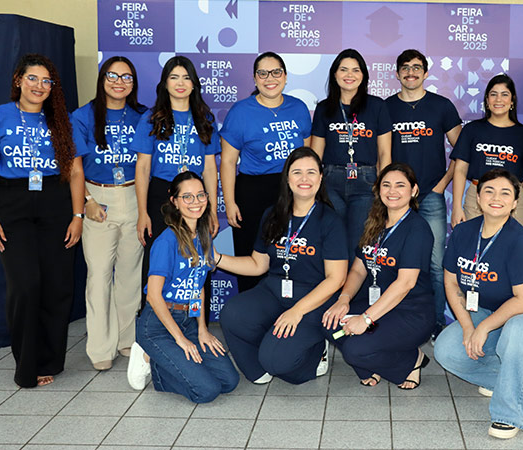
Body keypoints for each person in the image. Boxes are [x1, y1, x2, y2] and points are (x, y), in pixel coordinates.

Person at [0, 53, 85, 387]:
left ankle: (51, 360)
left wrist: (78, 215)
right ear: (18, 81)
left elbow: (77, 171)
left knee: (56, 286)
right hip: (13, 204)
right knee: (25, 285)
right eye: (33, 79)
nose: (40, 86)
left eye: (47, 81)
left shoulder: (61, 120)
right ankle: (26, 363)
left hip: (55, 202)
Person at [434, 168, 523, 440]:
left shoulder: (521, 241)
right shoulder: (462, 233)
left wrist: (483, 329)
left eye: (505, 192)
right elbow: (451, 283)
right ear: (479, 198)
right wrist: (469, 327)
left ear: (515, 202)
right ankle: (511, 380)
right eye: (489, 191)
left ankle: (509, 414)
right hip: (490, 310)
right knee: (447, 349)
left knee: (516, 330)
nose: (497, 198)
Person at [218, 148, 347, 385]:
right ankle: (260, 368)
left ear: (321, 177)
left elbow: (336, 279)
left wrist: (297, 310)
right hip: (274, 291)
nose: (304, 179)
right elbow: (258, 264)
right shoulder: (273, 214)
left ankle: (317, 353)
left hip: (313, 300)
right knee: (233, 314)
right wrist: (215, 258)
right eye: (297, 172)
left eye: (311, 172)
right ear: (287, 179)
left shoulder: (331, 221)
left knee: (277, 361)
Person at [127, 171, 239, 402]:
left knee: (229, 381)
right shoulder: (166, 241)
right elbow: (154, 297)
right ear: (175, 202)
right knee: (206, 391)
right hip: (158, 325)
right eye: (187, 197)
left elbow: (197, 285)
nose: (195, 202)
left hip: (188, 320)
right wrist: (180, 339)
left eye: (200, 195)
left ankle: (169, 359)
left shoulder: (203, 236)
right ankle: (151, 358)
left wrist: (202, 330)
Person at [323, 163, 435, 390]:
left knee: (355, 350)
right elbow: (358, 269)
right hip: (379, 305)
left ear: (413, 190)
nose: (392, 191)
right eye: (386, 185)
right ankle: (371, 363)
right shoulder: (375, 222)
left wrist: (365, 319)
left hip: (411, 312)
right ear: (378, 189)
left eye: (400, 185)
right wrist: (343, 300)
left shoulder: (417, 228)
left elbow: (405, 284)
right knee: (329, 322)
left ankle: (411, 360)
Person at [71, 56, 146, 371]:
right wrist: (86, 200)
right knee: (99, 275)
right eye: (113, 76)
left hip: (133, 195)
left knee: (130, 275)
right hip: (97, 197)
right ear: (102, 79)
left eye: (126, 77)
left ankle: (126, 340)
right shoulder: (83, 116)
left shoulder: (143, 116)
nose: (119, 82)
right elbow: (74, 165)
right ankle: (100, 347)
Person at [220, 52, 312, 294]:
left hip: (292, 191)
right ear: (254, 78)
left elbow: (309, 156)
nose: (269, 78)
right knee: (252, 255)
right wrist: (229, 202)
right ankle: (249, 314)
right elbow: (228, 162)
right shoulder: (240, 112)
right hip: (253, 191)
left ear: (285, 76)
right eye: (262, 73)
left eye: (276, 72)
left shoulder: (299, 108)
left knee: (290, 255)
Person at [386, 49, 462, 340]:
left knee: (434, 261)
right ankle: (395, 315)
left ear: (426, 73)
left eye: (417, 68)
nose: (411, 72)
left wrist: (443, 184)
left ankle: (435, 323)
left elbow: (461, 152)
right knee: (393, 259)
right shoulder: (386, 108)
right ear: (397, 73)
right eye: (405, 68)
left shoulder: (441, 106)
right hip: (395, 197)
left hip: (430, 194)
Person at [132, 55, 220, 302]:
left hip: (196, 198)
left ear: (194, 84)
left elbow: (210, 168)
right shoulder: (152, 118)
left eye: (186, 77)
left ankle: (196, 324)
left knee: (199, 258)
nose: (180, 83)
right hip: (162, 195)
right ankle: (154, 326)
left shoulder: (205, 119)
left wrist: (210, 208)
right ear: (165, 84)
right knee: (158, 260)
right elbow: (143, 168)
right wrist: (142, 213)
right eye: (174, 77)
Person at [311, 49, 392, 260]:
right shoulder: (323, 108)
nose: (350, 75)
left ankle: (352, 293)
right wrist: (313, 184)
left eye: (356, 70)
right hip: (330, 180)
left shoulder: (377, 106)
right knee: (333, 240)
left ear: (363, 75)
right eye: (344, 69)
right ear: (335, 74)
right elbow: (315, 153)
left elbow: (384, 153)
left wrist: (383, 186)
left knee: (359, 242)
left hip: (366, 182)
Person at [450, 74, 523, 228]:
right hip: (476, 200)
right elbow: (460, 169)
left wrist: (510, 187)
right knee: (475, 249)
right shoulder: (472, 130)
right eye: (493, 94)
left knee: (513, 250)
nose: (498, 100)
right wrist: (457, 207)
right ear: (487, 100)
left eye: (504, 94)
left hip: (512, 202)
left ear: (512, 101)